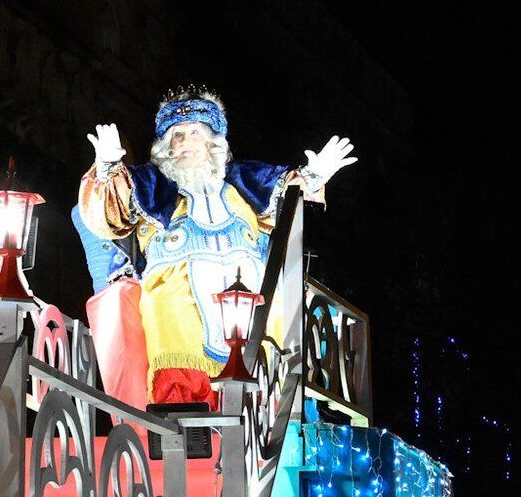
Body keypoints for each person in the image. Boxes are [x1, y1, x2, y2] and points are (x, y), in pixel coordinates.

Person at [74, 84, 355, 407]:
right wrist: (108, 168)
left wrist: (313, 177)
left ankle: (265, 415)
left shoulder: (244, 180)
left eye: (194, 132)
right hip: (178, 292)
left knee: (267, 343)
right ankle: (183, 423)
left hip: (249, 293)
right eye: (176, 135)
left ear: (211, 140)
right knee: (172, 322)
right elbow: (107, 214)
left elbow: (290, 205)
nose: (184, 142)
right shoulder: (151, 184)